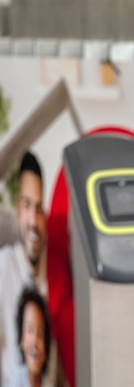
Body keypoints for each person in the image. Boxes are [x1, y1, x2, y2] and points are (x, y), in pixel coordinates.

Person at [0, 151, 59, 387]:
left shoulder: (55, 273)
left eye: (39, 208)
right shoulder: (4, 267)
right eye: (27, 205)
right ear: (17, 210)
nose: (33, 221)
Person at [10, 288, 52, 387]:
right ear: (21, 339)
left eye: (40, 334)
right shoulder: (16, 380)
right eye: (30, 330)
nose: (35, 340)